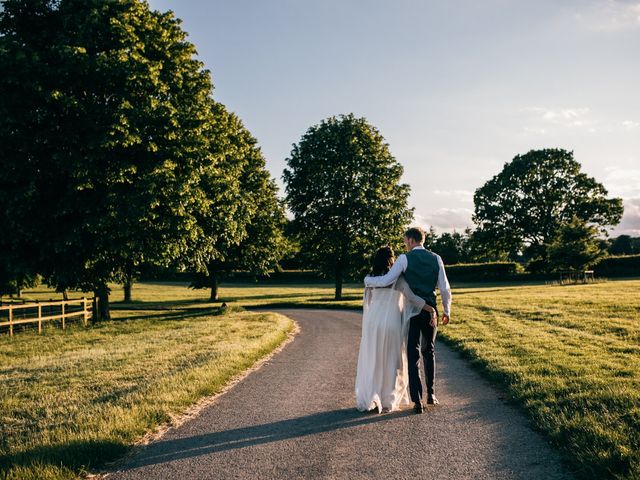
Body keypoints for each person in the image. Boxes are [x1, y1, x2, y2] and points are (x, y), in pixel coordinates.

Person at [364, 227, 452, 414]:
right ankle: (432, 394)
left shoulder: (404, 258)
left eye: (405, 241)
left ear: (411, 240)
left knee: (413, 354)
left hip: (413, 312)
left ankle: (417, 400)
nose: (405, 244)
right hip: (430, 311)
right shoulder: (436, 258)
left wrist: (368, 281)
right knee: (429, 351)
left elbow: (387, 279)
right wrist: (447, 310)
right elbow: (444, 288)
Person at [355, 246, 436, 414]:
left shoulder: (369, 279)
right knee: (392, 361)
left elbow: (368, 302)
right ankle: (387, 400)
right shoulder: (398, 279)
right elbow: (412, 298)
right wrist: (429, 308)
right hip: (392, 322)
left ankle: (372, 396)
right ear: (391, 260)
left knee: (375, 360)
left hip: (373, 323)